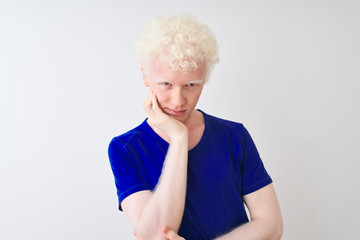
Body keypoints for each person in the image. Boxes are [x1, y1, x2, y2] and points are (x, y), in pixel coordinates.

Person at [108, 13, 283, 240]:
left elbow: (271, 226)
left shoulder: (234, 136)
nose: (178, 101)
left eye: (191, 85)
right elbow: (152, 234)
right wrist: (179, 139)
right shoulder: (125, 148)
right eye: (166, 84)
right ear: (145, 76)